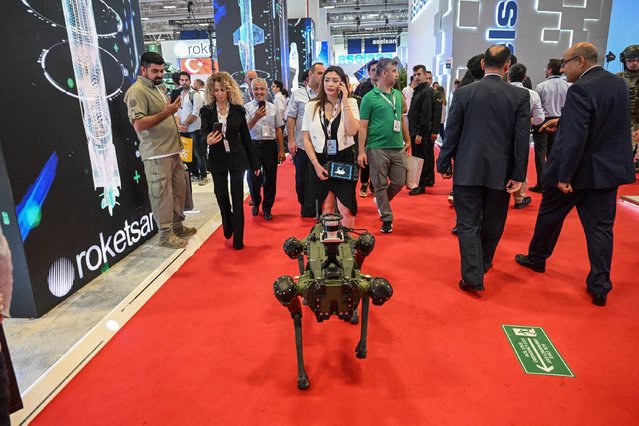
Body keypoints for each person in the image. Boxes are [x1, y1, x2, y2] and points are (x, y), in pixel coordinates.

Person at [515, 42, 635, 306]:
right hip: (606, 173)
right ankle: (600, 285)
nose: (563, 67)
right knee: (601, 230)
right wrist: (564, 120)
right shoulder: (618, 84)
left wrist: (565, 175)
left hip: (577, 171)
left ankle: (537, 259)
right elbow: (603, 122)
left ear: (580, 61)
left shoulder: (581, 88)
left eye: (565, 62)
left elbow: (577, 137)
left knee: (549, 215)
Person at [436, 45, 530, 293]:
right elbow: (522, 140)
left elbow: (452, 133)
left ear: (482, 64)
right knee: (494, 221)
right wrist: (518, 174)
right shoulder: (520, 96)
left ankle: (472, 275)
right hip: (501, 172)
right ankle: (484, 261)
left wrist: (443, 162)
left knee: (467, 223)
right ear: (507, 65)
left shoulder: (463, 93)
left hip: (467, 168)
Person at [124, 52, 197, 249]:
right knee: (162, 195)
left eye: (162, 71)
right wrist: (167, 112)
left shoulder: (157, 88)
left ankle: (177, 226)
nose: (159, 74)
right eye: (155, 71)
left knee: (179, 191)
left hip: (172, 150)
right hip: (156, 153)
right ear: (143, 70)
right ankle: (165, 235)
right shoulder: (137, 91)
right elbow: (138, 124)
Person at [201, 72, 260, 250]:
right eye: (216, 90)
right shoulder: (206, 111)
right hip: (217, 158)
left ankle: (238, 239)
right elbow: (203, 133)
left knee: (237, 196)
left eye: (222, 90)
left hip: (238, 157)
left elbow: (246, 138)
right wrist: (207, 140)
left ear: (229, 90)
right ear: (211, 91)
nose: (219, 93)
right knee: (221, 195)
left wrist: (255, 163)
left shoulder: (238, 110)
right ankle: (228, 224)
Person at [302, 65, 360, 228]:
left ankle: (348, 248)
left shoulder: (352, 103)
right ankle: (330, 250)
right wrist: (315, 165)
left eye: (335, 81)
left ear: (342, 83)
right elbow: (306, 139)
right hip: (320, 160)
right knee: (326, 208)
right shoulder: (311, 106)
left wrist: (345, 101)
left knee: (346, 209)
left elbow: (352, 130)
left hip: (344, 159)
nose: (330, 84)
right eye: (327, 80)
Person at [358, 58, 411, 234]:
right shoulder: (368, 98)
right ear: (383, 73)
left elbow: (401, 118)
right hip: (376, 147)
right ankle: (387, 218)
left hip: (397, 146)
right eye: (394, 71)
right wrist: (361, 151)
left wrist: (407, 139)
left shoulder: (397, 95)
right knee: (379, 184)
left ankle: (381, 201)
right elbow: (363, 126)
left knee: (399, 181)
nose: (396, 75)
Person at [286, 62, 325, 217]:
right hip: (302, 145)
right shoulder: (298, 94)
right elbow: (291, 118)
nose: (323, 77)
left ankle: (321, 208)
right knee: (301, 179)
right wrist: (290, 140)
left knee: (321, 178)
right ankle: (304, 204)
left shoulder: (326, 94)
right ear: (310, 74)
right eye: (320, 73)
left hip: (322, 145)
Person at [245, 78, 286, 221]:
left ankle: (267, 207)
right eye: (256, 89)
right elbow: (245, 129)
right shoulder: (247, 108)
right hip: (253, 147)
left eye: (262, 89)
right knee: (253, 179)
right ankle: (256, 202)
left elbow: (278, 130)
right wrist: (256, 117)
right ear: (251, 90)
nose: (259, 92)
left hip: (269, 147)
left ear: (267, 90)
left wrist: (281, 149)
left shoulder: (273, 107)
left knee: (270, 179)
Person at [508, 63, 545, 209]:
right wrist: (529, 121)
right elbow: (540, 119)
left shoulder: (503, 91)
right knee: (520, 160)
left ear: (509, 76)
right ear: (524, 77)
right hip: (522, 133)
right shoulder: (532, 94)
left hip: (500, 133)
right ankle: (519, 198)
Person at [529, 59, 569, 192]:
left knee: (540, 154)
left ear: (550, 69)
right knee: (555, 153)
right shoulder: (568, 85)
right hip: (560, 121)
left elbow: (537, 107)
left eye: (546, 68)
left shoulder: (541, 86)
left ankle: (541, 184)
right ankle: (553, 183)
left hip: (543, 121)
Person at [407, 65, 442, 195]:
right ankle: (420, 182)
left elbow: (426, 114)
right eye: (415, 75)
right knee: (418, 157)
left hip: (420, 132)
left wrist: (420, 133)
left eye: (419, 74)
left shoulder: (426, 91)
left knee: (420, 158)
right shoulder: (418, 90)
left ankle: (420, 185)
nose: (416, 77)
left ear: (424, 75)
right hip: (415, 130)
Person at [176, 71, 207, 185]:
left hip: (194, 129)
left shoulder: (195, 95)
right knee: (187, 154)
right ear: (179, 81)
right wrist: (179, 125)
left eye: (186, 80)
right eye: (182, 80)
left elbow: (196, 113)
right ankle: (195, 174)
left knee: (198, 153)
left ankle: (203, 175)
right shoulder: (180, 95)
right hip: (183, 129)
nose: (184, 82)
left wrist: (185, 124)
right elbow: (177, 112)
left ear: (190, 81)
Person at [354, 60, 379, 198]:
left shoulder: (386, 87)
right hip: (364, 128)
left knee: (378, 159)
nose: (375, 73)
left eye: (377, 69)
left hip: (380, 130)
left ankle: (375, 184)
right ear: (369, 72)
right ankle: (364, 182)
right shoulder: (362, 87)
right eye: (373, 70)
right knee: (364, 155)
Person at [617, 45, 639, 171]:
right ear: (624, 61)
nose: (634, 63)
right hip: (621, 121)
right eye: (630, 60)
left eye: (637, 60)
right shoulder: (617, 79)